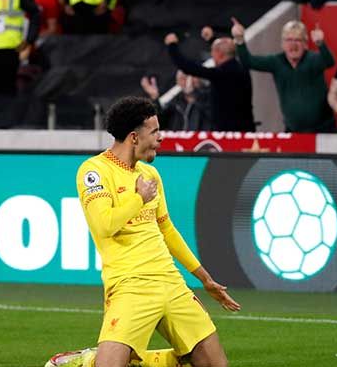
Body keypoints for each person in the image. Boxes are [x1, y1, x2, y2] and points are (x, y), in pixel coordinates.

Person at [75, 96, 240, 367]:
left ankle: (155, 360)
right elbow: (104, 225)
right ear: (133, 137)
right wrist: (138, 198)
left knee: (215, 364)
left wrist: (205, 279)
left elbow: (167, 230)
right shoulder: (93, 171)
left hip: (171, 283)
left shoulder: (150, 175)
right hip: (130, 285)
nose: (160, 138)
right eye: (154, 132)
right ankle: (93, 360)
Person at [232, 18, 335, 132]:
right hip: (293, 130)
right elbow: (248, 61)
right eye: (289, 40)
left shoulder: (314, 59)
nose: (293, 44)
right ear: (282, 44)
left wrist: (321, 44)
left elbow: (329, 61)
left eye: (298, 40)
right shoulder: (276, 62)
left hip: (323, 129)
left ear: (305, 44)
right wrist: (239, 39)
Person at [165, 32, 255, 132]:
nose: (211, 55)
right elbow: (226, 50)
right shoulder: (241, 69)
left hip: (230, 135)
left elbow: (188, 67)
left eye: (213, 52)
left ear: (219, 54)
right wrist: (212, 39)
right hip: (247, 131)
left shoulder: (222, 74)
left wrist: (172, 46)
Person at [140, 71, 211, 131]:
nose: (187, 81)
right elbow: (156, 124)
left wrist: (193, 96)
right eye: (183, 78)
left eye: (189, 77)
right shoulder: (174, 105)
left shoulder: (209, 100)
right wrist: (155, 97)